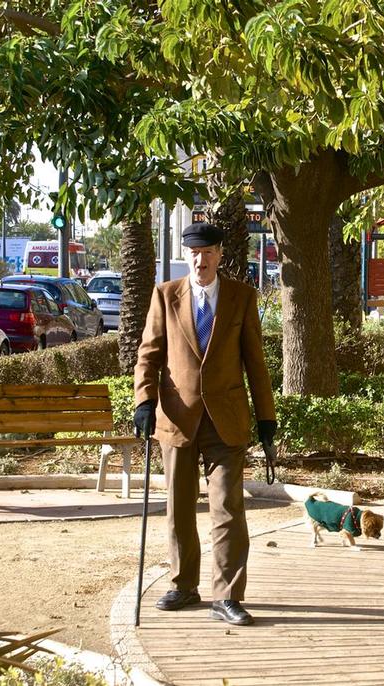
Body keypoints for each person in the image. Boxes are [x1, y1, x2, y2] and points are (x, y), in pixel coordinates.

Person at [132, 222, 276, 627]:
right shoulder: (166, 295)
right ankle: (183, 584)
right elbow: (148, 355)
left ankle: (227, 596)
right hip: (177, 419)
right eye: (194, 253)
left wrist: (267, 417)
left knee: (229, 509)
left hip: (226, 421)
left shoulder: (242, 297)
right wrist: (144, 401)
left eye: (208, 252)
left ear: (220, 254)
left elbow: (255, 364)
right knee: (179, 509)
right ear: (187, 255)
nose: (201, 260)